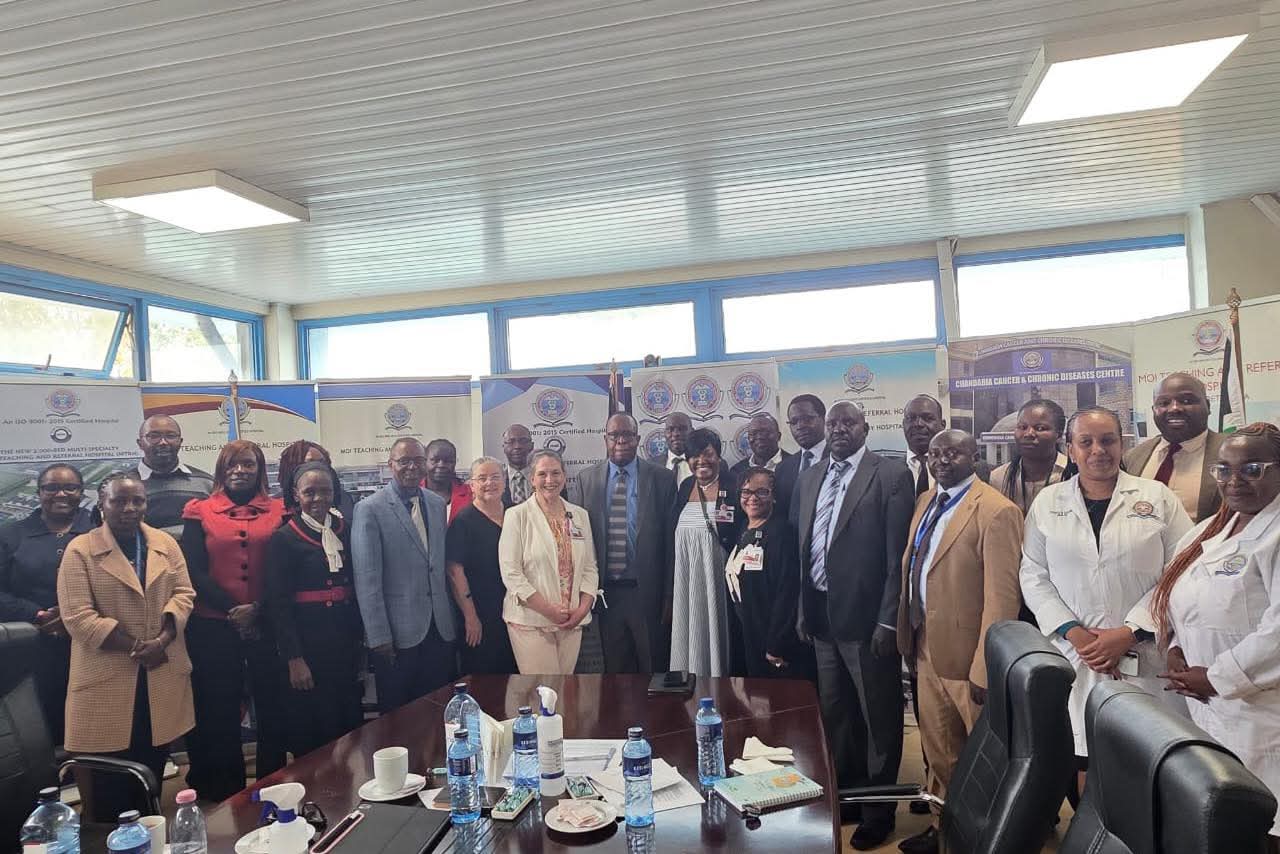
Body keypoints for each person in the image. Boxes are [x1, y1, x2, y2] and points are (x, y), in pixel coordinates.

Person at [1020, 407, 1193, 794]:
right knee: (1085, 760)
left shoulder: (1157, 497)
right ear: (1070, 449)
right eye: (1086, 442)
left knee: (1154, 761)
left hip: (1147, 655)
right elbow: (1033, 574)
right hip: (1076, 654)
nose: (1098, 450)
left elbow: (1182, 570)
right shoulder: (1048, 503)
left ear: (1122, 444)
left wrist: (1131, 631)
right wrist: (1074, 632)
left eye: (1107, 440)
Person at [1149, 422, 1280, 839]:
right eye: (1223, 469)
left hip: (1263, 715)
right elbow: (1177, 595)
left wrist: (1218, 677)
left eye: (1252, 469)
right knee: (1224, 820)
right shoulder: (1212, 528)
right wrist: (1174, 646)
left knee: (1265, 825)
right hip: (1211, 706)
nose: (1234, 480)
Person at [895, 431, 1024, 854]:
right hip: (925, 645)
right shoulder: (926, 501)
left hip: (970, 656)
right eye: (935, 453)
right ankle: (944, 829)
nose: (942, 460)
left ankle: (986, 837)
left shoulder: (996, 510)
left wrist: (987, 665)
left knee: (982, 758)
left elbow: (1002, 597)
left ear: (974, 456)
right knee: (939, 749)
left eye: (953, 452)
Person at [795, 401, 914, 851]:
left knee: (878, 717)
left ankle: (878, 811)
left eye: (848, 422)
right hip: (821, 616)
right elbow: (805, 549)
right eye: (833, 423)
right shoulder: (811, 478)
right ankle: (847, 797)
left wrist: (888, 620)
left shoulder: (890, 475)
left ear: (866, 428)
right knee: (837, 714)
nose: (839, 429)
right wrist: (803, 610)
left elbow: (896, 560)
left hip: (868, 622)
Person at [57, 472, 194, 821]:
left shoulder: (164, 543)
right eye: (119, 501)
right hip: (107, 680)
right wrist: (138, 647)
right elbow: (78, 617)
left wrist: (161, 641)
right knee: (109, 787)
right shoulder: (80, 550)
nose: (130, 508)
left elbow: (184, 594)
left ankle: (149, 831)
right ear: (102, 505)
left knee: (151, 773)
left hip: (159, 674)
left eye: (137, 500)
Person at [179, 439, 288, 800]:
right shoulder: (199, 511)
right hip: (214, 625)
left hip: (266, 622)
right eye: (232, 465)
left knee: (272, 705)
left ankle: (273, 786)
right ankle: (226, 792)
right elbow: (194, 570)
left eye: (248, 464)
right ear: (221, 470)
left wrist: (257, 608)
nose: (240, 471)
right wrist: (233, 610)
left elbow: (284, 569)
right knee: (219, 707)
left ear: (260, 470)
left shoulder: (280, 510)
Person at [265, 462, 363, 759]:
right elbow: (278, 604)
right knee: (314, 730)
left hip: (344, 646)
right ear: (296, 495)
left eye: (325, 491)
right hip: (309, 650)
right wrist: (294, 658)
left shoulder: (346, 530)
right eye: (310, 492)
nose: (318, 498)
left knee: (348, 726)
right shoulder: (284, 538)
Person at [353, 437, 456, 713]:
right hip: (396, 635)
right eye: (404, 461)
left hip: (439, 629)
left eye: (418, 461)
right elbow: (367, 579)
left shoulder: (436, 504)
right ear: (390, 465)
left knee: (436, 711)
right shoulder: (369, 509)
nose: (412, 467)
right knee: (398, 717)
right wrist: (378, 636)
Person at [570, 413, 676, 673]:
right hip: (606, 594)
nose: (621, 441)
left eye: (627, 435)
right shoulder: (586, 479)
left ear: (637, 439)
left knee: (654, 667)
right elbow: (578, 542)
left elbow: (671, 542)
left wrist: (669, 594)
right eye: (614, 435)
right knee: (616, 672)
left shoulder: (661, 478)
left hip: (647, 593)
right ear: (605, 439)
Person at [0, 463, 93, 743]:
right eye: (51, 487)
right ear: (39, 492)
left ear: (81, 492)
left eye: (70, 487)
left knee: (92, 723)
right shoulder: (10, 535)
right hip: (32, 647)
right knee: (39, 727)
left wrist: (74, 616)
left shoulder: (100, 531)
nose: (60, 494)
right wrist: (37, 614)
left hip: (92, 645)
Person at [498, 450, 598, 674]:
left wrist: (582, 610)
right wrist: (549, 610)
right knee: (544, 689)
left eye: (556, 473)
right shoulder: (517, 515)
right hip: (531, 621)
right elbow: (511, 573)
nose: (550, 480)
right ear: (532, 479)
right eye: (542, 474)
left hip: (572, 620)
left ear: (564, 476)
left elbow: (590, 567)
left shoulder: (579, 515)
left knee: (564, 688)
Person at [725, 466, 811, 679]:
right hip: (748, 633)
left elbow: (787, 593)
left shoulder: (782, 534)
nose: (752, 498)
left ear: (774, 497)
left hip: (773, 643)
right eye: (746, 492)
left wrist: (776, 644)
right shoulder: (743, 528)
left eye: (762, 492)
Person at [668, 429, 739, 677]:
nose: (701, 461)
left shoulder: (734, 484)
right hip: (687, 580)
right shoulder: (685, 486)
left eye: (707, 453)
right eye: (694, 456)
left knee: (723, 635)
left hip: (720, 581)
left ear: (718, 455)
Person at [446, 457, 518, 675]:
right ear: (471, 485)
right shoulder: (463, 521)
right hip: (481, 615)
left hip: (518, 613)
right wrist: (471, 617)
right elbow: (454, 571)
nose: (489, 483)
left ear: (504, 481)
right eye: (482, 478)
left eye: (495, 477)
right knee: (485, 679)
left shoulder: (516, 514)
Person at [1124, 372, 1226, 522]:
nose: (1174, 408)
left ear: (1208, 406)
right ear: (1154, 410)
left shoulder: (1230, 452)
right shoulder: (1133, 456)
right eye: (1164, 403)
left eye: (1186, 400)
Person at [128, 415, 213, 539]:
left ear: (180, 442)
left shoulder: (206, 483)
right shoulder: (124, 485)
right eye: (154, 436)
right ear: (140, 443)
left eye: (171, 436)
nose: (163, 442)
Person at [989, 399, 1069, 516]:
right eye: (1022, 427)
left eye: (1040, 428)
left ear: (1059, 434)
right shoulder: (998, 478)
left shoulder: (1074, 474)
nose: (1028, 433)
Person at [774, 394, 828, 525]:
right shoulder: (783, 468)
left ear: (824, 419)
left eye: (807, 419)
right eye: (794, 422)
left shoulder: (841, 459)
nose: (800, 426)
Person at [278, 440, 355, 521]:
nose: (318, 467)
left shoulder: (344, 499)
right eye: (310, 463)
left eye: (322, 462)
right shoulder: (277, 507)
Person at [903, 395, 948, 498]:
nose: (918, 424)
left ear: (943, 425)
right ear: (903, 424)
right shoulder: (886, 473)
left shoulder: (965, 469)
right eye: (911, 418)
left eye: (928, 418)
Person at [729, 413, 791, 481]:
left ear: (778, 436)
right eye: (753, 433)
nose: (759, 437)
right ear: (748, 438)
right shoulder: (737, 471)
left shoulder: (795, 465)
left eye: (766, 432)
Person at [424, 438, 473, 523]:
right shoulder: (413, 493)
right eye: (435, 460)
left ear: (455, 463)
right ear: (425, 461)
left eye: (448, 461)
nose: (441, 465)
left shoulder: (470, 494)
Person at [500, 424, 535, 505]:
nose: (517, 446)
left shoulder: (546, 479)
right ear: (504, 447)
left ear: (532, 446)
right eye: (511, 442)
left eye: (523, 441)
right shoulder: (496, 481)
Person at [661, 412, 693, 485]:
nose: (676, 434)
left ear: (692, 431)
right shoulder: (651, 465)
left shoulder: (703, 464)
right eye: (670, 429)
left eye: (682, 429)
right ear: (664, 433)